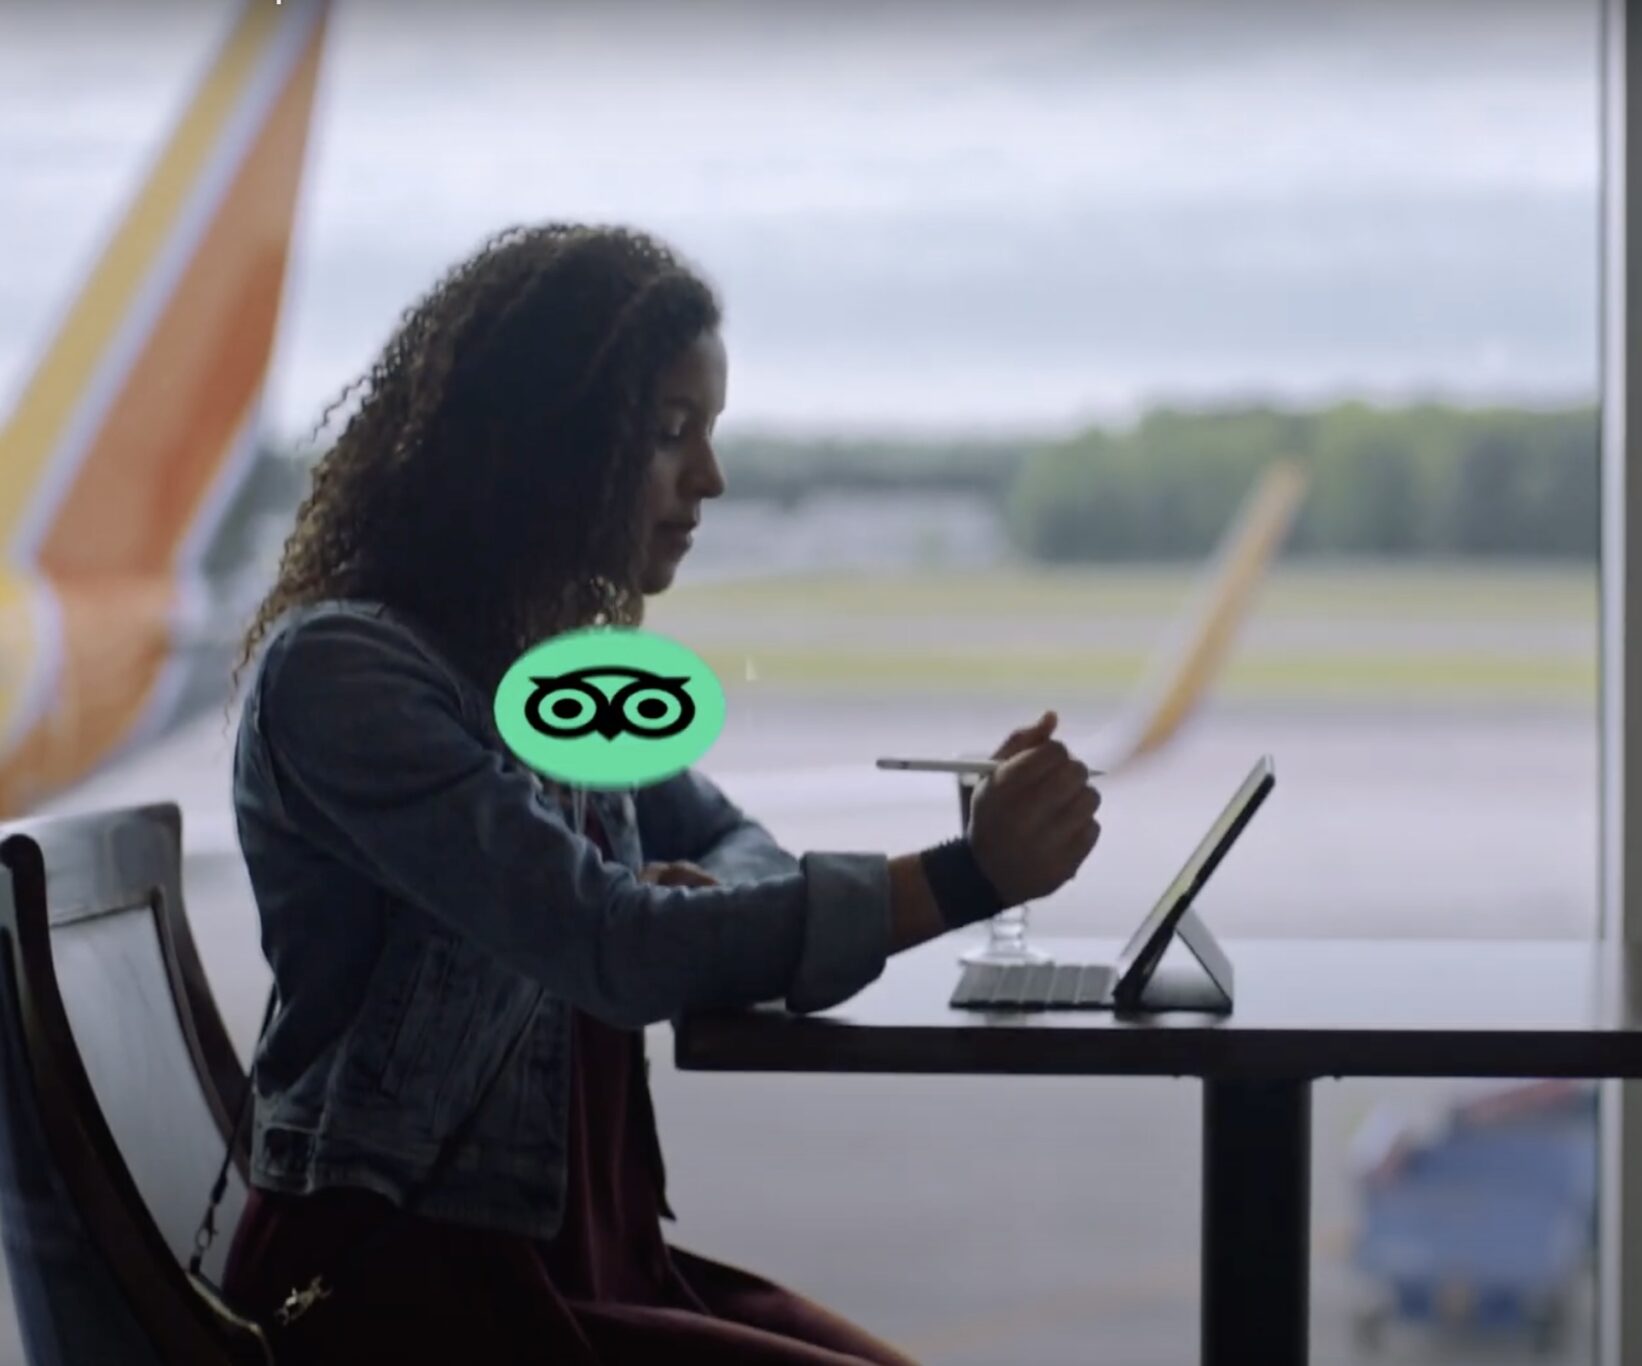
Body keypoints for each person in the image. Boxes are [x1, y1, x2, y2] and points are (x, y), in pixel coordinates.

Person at [217, 222, 1102, 1365]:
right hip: (389, 1290)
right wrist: (963, 875)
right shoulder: (346, 676)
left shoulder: (553, 675)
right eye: (668, 434)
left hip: (586, 1262)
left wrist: (671, 904)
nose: (710, 479)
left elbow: (730, 838)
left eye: (711, 434)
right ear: (544, 447)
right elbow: (617, 950)